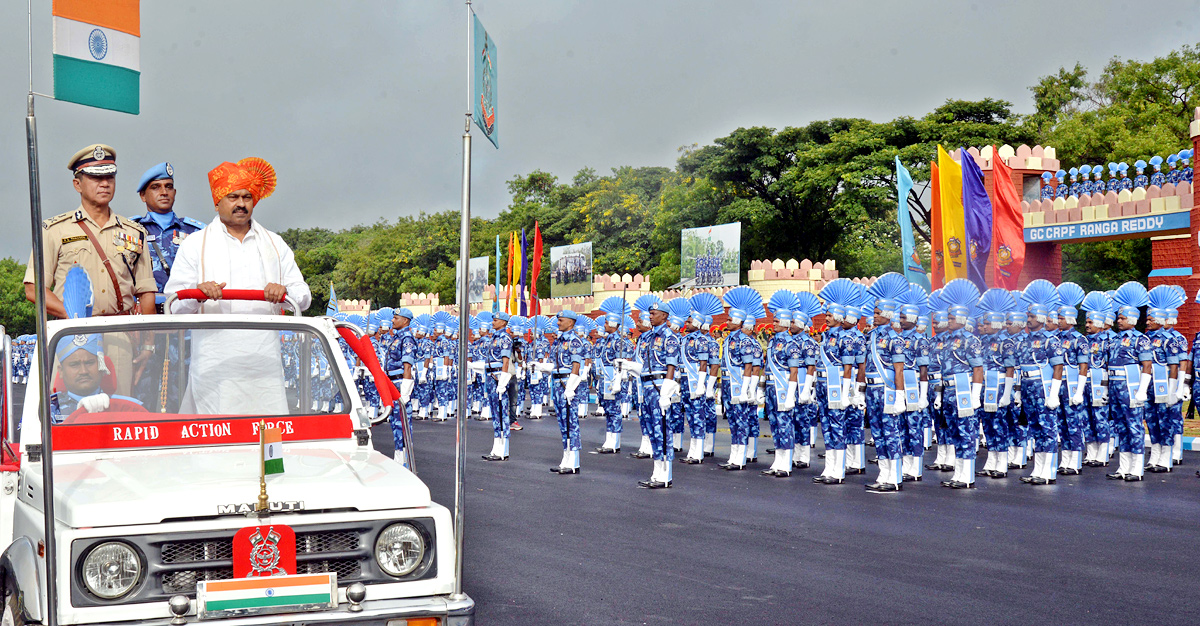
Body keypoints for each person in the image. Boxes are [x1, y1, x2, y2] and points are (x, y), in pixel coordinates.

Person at [165, 158, 311, 415]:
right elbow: (173, 303)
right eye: (233, 197)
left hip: (264, 364)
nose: (241, 204)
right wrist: (198, 294)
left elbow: (303, 295)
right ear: (217, 202)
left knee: (268, 442)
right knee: (216, 438)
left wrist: (284, 294)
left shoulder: (275, 244)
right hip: (215, 365)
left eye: (247, 197)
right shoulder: (194, 244)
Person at [24, 144, 157, 396]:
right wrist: (74, 316)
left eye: (109, 177)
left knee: (118, 407)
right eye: (96, 178)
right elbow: (34, 289)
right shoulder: (54, 230)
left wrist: (147, 343)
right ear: (78, 184)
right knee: (68, 410)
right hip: (75, 335)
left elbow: (146, 290)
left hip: (119, 335)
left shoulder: (134, 232)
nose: (104, 183)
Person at [130, 162, 207, 312]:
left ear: (175, 192)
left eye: (168, 186)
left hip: (186, 313)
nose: (164, 192)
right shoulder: (131, 230)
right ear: (142, 196)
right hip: (144, 313)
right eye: (155, 187)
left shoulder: (196, 231)